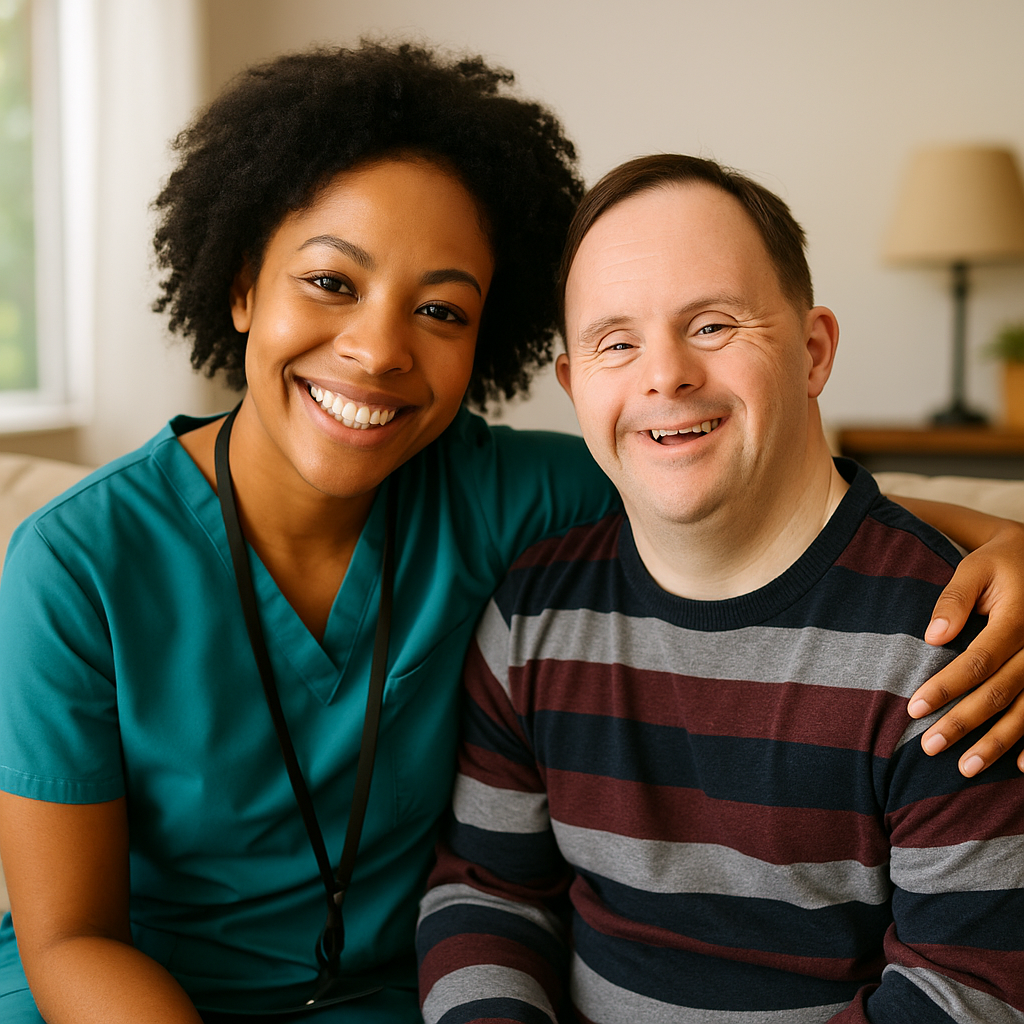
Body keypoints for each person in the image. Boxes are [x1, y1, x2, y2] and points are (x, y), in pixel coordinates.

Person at [0, 43, 1020, 1024]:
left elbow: (736, 485)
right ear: (238, 285)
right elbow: (70, 939)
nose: (376, 349)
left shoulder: (505, 496)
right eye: (330, 281)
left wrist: (1003, 539)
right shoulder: (74, 564)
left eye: (441, 310)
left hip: (377, 1000)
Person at [416, 155, 1024, 1022]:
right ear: (573, 385)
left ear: (813, 353)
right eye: (615, 343)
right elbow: (488, 895)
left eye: (711, 325)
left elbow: (965, 990)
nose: (664, 375)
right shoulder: (531, 619)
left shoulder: (957, 642)